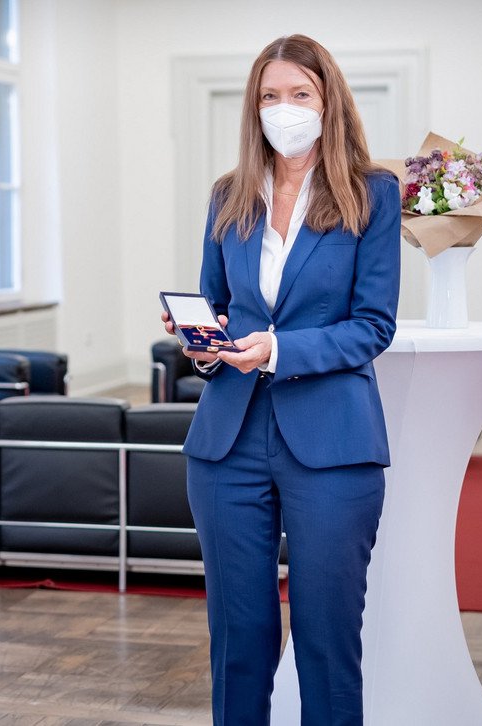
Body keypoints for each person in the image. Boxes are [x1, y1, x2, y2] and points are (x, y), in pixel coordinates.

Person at [161, 34, 401, 725]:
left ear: (329, 102)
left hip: (331, 442)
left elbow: (372, 326)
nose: (283, 108)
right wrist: (203, 342)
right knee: (239, 640)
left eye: (300, 94)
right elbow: (216, 305)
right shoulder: (227, 196)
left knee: (326, 641)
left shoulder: (371, 194)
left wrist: (275, 350)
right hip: (227, 443)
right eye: (270, 96)